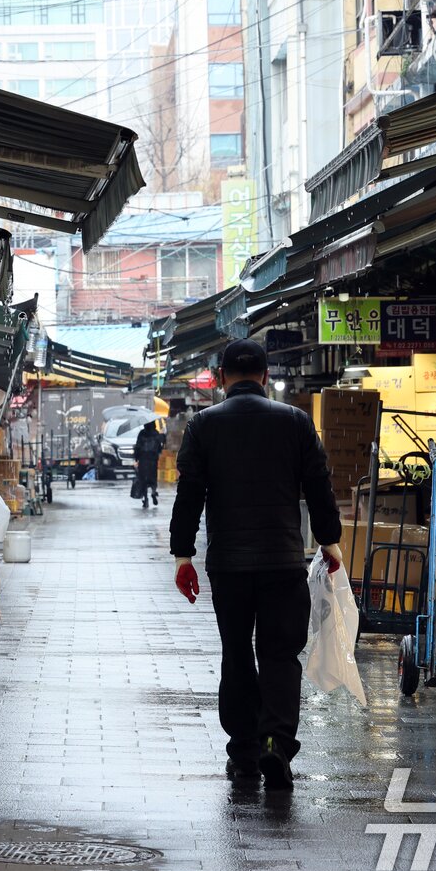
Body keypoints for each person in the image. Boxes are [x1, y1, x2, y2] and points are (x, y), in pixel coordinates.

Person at [169, 339, 343, 791]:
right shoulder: (296, 422)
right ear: (265, 377)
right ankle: (276, 744)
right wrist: (330, 542)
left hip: (227, 565)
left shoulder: (203, 425)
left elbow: (189, 494)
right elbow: (319, 486)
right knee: (281, 654)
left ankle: (244, 753)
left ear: (222, 376)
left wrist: (182, 555)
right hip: (284, 561)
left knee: (237, 652)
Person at [133, 420, 164, 509]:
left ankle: (145, 498)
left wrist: (136, 457)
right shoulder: (156, 433)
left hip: (143, 460)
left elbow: (138, 446)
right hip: (153, 460)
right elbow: (159, 446)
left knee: (143, 480)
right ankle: (153, 492)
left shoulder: (142, 433)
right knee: (153, 478)